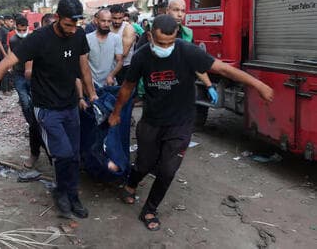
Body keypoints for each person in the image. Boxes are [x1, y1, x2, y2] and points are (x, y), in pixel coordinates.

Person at [109, 15, 274, 231]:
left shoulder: (187, 50)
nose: (165, 47)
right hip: (152, 120)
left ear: (176, 36)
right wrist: (116, 112)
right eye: (160, 43)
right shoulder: (141, 57)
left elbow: (223, 69)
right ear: (150, 36)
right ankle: (131, 184)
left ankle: (150, 208)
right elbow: (128, 87)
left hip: (181, 122)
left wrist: (257, 84)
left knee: (168, 170)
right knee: (144, 163)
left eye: (170, 42)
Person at [0, 0, 98, 219]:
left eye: (75, 25)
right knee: (63, 154)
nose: (72, 30)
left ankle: (72, 194)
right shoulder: (38, 39)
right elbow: (4, 64)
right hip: (47, 109)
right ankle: (61, 192)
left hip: (70, 106)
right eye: (68, 24)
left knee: (75, 155)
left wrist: (91, 94)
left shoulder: (78, 35)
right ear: (57, 18)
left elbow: (83, 67)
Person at [136, 0, 218, 104]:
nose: (180, 14)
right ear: (167, 11)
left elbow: (196, 63)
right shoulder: (152, 31)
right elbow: (138, 62)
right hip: (154, 89)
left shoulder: (187, 34)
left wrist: (209, 85)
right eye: (176, 10)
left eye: (183, 11)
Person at [8, 17, 42, 168]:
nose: (22, 33)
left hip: (35, 76)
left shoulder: (35, 38)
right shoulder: (14, 39)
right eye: (19, 29)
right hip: (20, 74)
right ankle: (32, 122)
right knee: (25, 101)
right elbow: (11, 53)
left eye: (24, 29)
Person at [85, 8, 123, 88]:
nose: (106, 24)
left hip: (109, 84)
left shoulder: (116, 38)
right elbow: (84, 63)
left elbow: (120, 61)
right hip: (92, 85)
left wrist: (111, 75)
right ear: (96, 20)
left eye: (109, 21)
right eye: (103, 21)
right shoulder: (87, 38)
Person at [109, 5, 136, 85]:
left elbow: (123, 53)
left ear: (123, 17)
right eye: (114, 18)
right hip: (109, 66)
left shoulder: (128, 29)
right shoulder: (107, 27)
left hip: (125, 67)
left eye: (120, 18)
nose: (117, 21)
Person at [0, 15, 14, 96]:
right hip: (4, 53)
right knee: (5, 71)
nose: (12, 23)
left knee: (9, 71)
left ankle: (9, 87)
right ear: (6, 21)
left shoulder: (8, 30)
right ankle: (5, 90)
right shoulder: (1, 30)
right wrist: (4, 54)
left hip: (9, 52)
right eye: (10, 21)